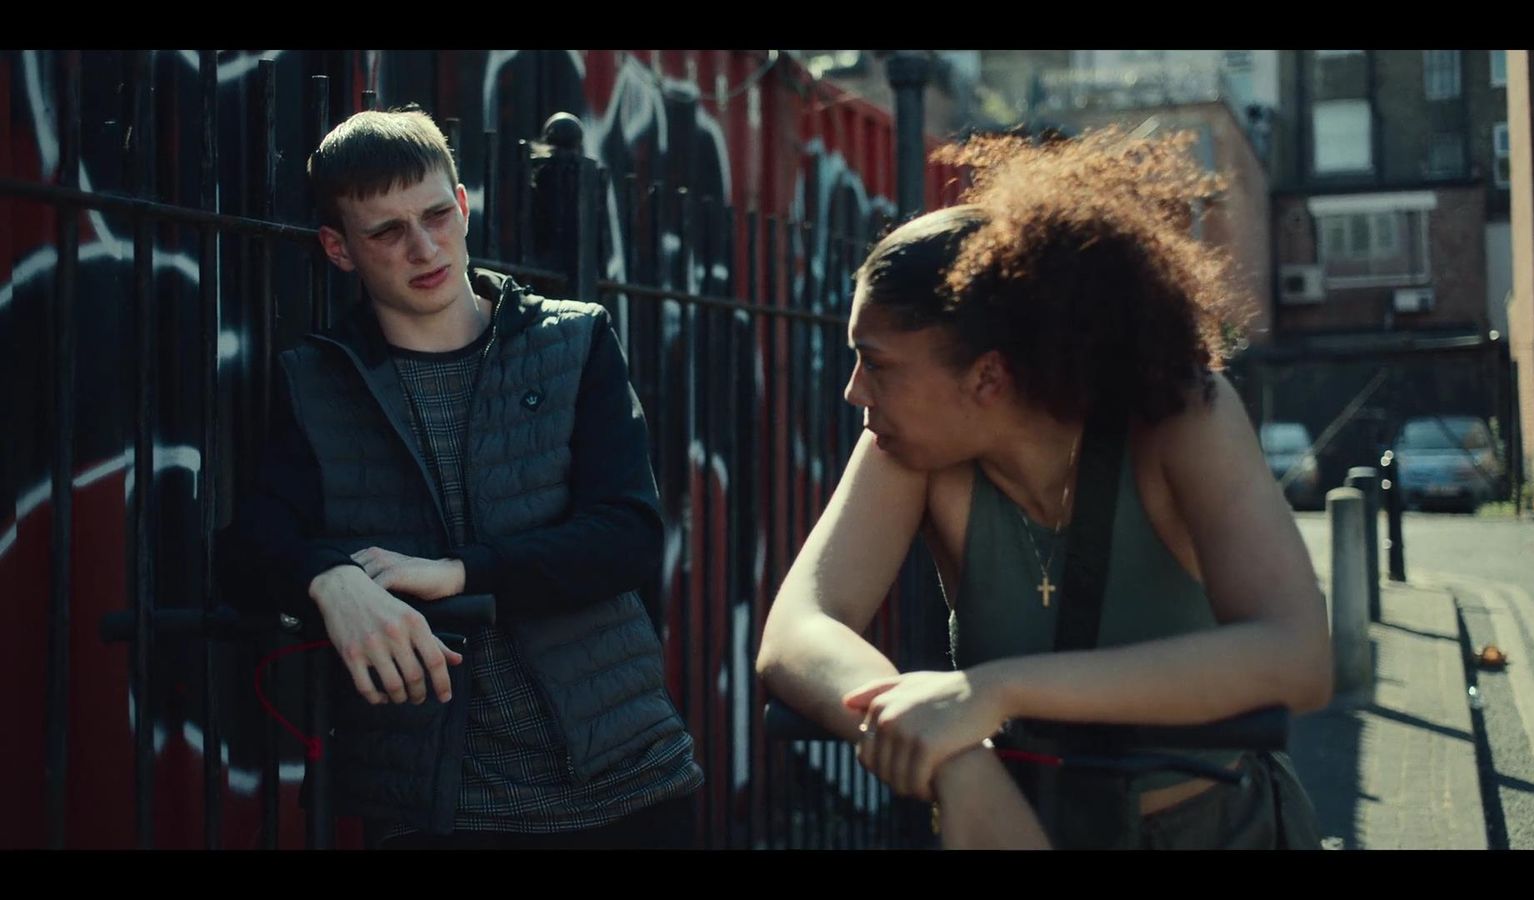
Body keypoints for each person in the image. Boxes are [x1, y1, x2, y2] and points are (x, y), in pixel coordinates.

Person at [755, 127, 1329, 849]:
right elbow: (798, 630)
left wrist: (994, 692)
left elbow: (1298, 656)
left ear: (987, 377)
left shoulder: (1181, 416)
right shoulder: (907, 447)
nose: (853, 391)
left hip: (1213, 827)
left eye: (876, 364)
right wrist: (960, 762)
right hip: (1022, 825)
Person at [228, 106, 702, 849]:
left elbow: (627, 536)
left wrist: (457, 573)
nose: (423, 247)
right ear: (338, 248)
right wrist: (330, 580)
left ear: (463, 206)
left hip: (627, 781)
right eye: (386, 231)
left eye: (436, 215)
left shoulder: (573, 340)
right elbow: (252, 545)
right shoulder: (318, 382)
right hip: (445, 810)